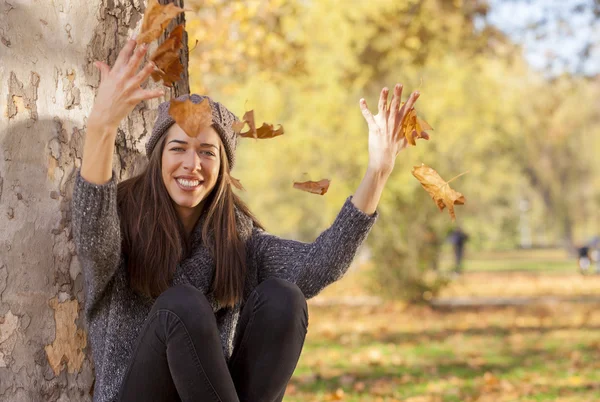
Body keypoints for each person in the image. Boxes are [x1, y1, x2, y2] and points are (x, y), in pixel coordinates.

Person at [73, 38, 421, 402]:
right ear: (159, 156)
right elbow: (94, 238)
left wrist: (378, 171)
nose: (192, 165)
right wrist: (102, 126)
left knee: (284, 298)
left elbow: (319, 267)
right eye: (178, 148)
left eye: (207, 152)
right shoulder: (123, 216)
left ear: (223, 166)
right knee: (182, 306)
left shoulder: (238, 239)